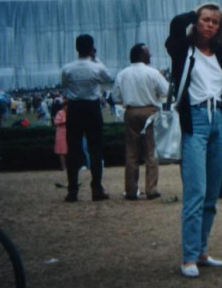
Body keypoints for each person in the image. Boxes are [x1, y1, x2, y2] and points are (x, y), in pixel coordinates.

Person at [165, 3, 222, 278]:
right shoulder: (182, 50)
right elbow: (176, 25)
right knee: (195, 192)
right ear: (196, 21)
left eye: (215, 22)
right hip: (195, 121)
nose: (210, 25)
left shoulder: (221, 52)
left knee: (212, 193)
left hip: (218, 119)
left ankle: (201, 250)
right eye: (205, 20)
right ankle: (188, 256)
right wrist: (194, 13)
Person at [113, 43, 169, 201]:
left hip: (130, 111)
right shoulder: (152, 72)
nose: (150, 54)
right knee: (151, 151)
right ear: (142, 55)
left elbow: (115, 97)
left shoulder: (122, 74)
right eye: (148, 52)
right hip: (150, 111)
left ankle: (131, 190)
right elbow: (166, 91)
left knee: (131, 152)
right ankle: (151, 189)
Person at [61, 34, 112, 203]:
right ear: (91, 48)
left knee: (73, 149)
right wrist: (95, 57)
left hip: (74, 108)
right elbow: (108, 77)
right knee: (96, 148)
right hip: (92, 107)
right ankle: (96, 187)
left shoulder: (67, 68)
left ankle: (72, 190)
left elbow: (65, 85)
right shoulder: (96, 67)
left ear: (76, 48)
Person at [54, 98, 67, 171]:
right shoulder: (60, 113)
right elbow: (56, 122)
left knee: (70, 150)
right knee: (62, 151)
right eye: (66, 106)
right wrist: (64, 122)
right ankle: (63, 166)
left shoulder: (70, 113)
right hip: (61, 134)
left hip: (69, 133)